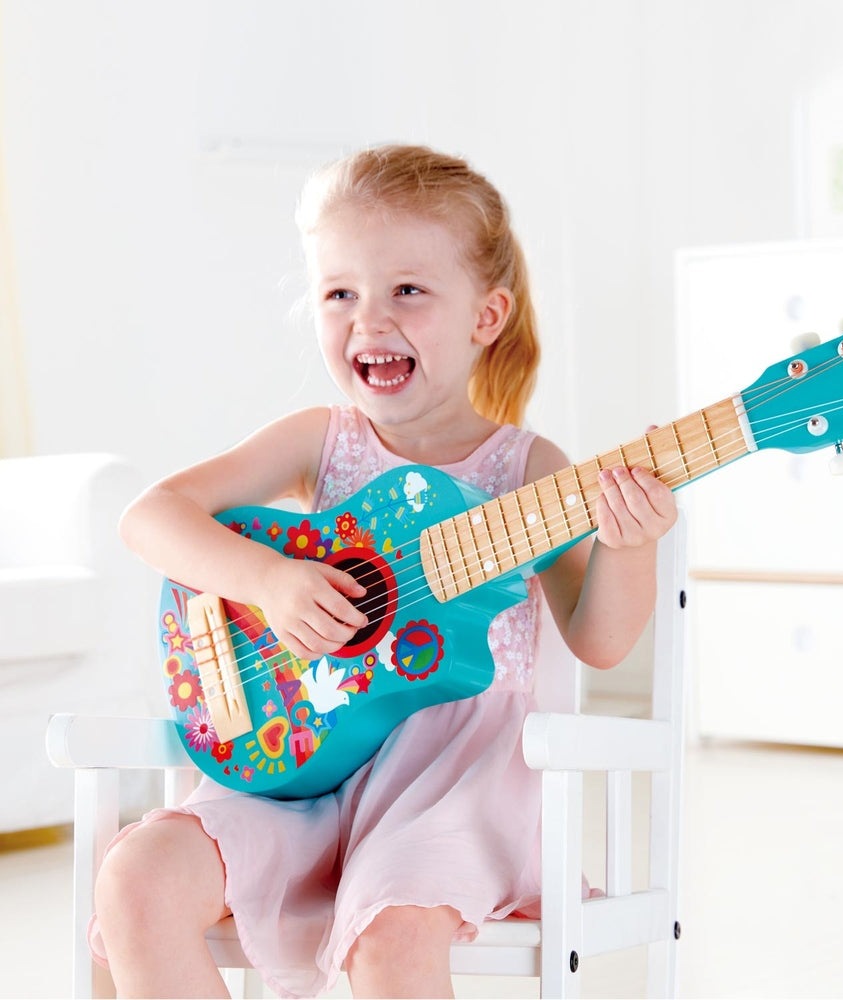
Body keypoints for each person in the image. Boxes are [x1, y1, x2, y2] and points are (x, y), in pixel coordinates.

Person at [92, 143, 678, 999]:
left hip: (455, 789)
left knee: (392, 937)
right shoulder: (319, 442)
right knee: (136, 880)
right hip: (298, 774)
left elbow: (598, 639)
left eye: (407, 290)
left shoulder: (526, 471)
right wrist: (268, 580)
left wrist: (631, 542)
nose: (369, 320)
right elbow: (149, 517)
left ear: (487, 315)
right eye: (340, 293)